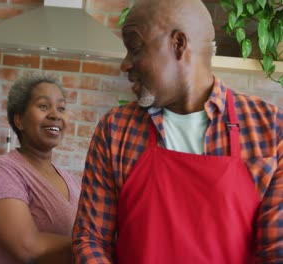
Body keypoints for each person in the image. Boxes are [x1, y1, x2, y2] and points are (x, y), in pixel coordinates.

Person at [72, 0, 283, 263]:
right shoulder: (116, 130)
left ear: (179, 44)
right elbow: (91, 238)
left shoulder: (270, 129)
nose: (125, 64)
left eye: (135, 48)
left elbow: (277, 251)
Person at [0, 74, 81, 264]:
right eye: (43, 106)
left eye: (61, 108)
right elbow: (28, 248)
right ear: (20, 120)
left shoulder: (71, 181)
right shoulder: (1, 171)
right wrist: (99, 247)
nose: (55, 114)